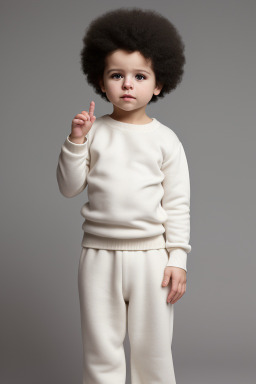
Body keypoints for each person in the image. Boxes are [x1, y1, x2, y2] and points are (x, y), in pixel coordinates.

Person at [56, 7, 191, 384]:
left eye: (140, 76)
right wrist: (76, 141)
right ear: (101, 81)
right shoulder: (93, 132)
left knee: (154, 352)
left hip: (152, 259)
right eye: (117, 75)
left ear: (159, 84)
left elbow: (178, 204)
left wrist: (177, 258)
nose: (128, 84)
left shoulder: (166, 140)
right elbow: (68, 187)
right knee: (101, 350)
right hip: (98, 256)